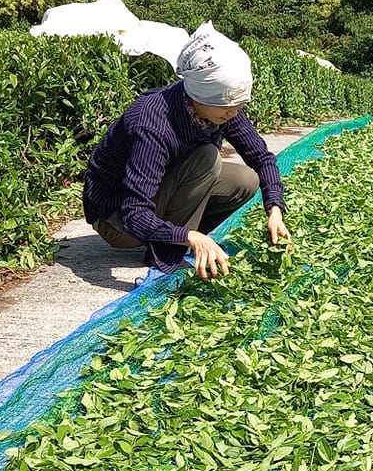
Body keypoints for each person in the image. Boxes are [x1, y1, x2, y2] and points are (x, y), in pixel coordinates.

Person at [84, 23, 291, 279]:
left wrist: (275, 208)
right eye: (227, 107)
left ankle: (175, 236)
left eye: (238, 105)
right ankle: (168, 247)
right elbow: (133, 213)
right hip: (116, 220)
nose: (234, 113)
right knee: (208, 158)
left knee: (245, 181)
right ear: (200, 95)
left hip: (163, 187)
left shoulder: (221, 108)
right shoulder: (153, 124)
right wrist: (188, 237)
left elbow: (261, 158)